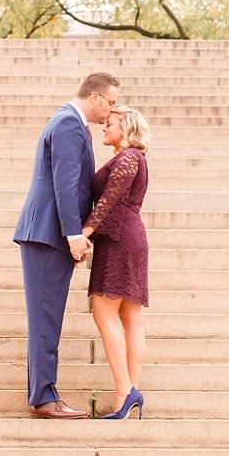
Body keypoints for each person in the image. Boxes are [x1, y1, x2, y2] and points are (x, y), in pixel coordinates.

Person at [13, 71, 120, 419]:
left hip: (47, 234)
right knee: (45, 317)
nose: (111, 111)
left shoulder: (70, 124)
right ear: (94, 97)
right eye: (111, 102)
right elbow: (65, 181)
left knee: (47, 317)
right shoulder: (67, 125)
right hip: (47, 234)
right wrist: (74, 234)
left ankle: (43, 394)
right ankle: (44, 399)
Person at [81, 106, 151, 420]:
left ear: (126, 126)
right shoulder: (135, 158)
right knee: (130, 316)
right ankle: (130, 391)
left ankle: (125, 391)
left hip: (120, 240)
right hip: (129, 237)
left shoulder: (127, 158)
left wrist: (84, 233)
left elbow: (109, 199)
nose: (103, 128)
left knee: (104, 312)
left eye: (109, 124)